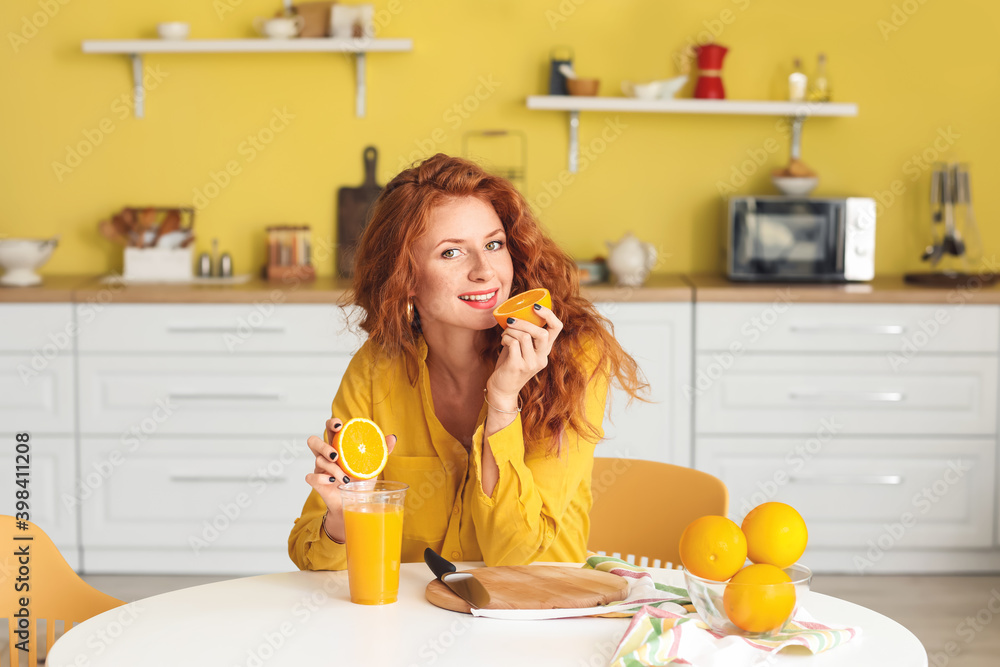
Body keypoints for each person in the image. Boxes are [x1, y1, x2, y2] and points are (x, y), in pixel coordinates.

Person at [288, 154, 650, 570]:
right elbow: (311, 557)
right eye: (451, 253)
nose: (485, 271)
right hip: (416, 620)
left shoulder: (571, 356)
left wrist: (502, 401)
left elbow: (513, 553)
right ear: (404, 278)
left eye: (494, 245)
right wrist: (345, 514)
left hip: (542, 619)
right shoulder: (377, 368)